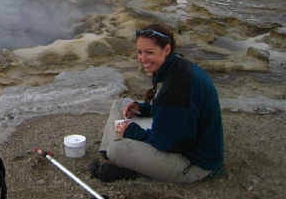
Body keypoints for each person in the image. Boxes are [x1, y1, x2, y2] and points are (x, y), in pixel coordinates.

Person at [90, 22, 225, 183]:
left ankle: (117, 156)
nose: (143, 58)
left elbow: (171, 142)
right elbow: (171, 114)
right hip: (186, 141)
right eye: (140, 52)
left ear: (166, 50)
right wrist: (144, 109)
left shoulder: (176, 87)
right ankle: (110, 155)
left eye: (149, 52)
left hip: (194, 162)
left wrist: (133, 132)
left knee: (118, 149)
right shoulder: (178, 67)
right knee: (121, 104)